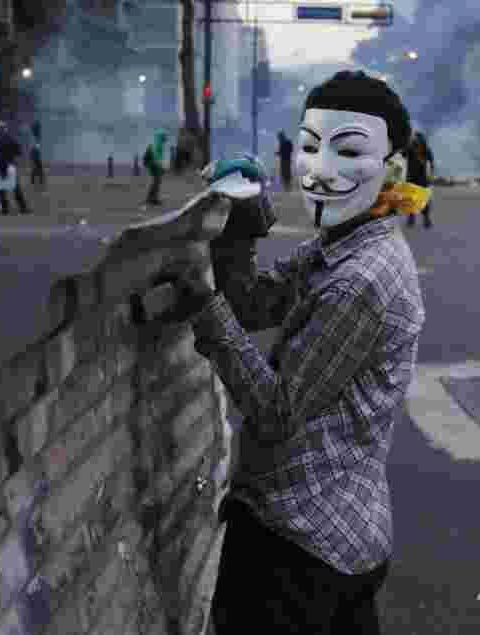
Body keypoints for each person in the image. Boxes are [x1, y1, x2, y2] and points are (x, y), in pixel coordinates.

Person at [167, 70, 431, 634]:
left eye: (349, 150)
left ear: (392, 169)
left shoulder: (361, 278)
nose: (321, 168)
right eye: (311, 147)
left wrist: (200, 299)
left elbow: (275, 411)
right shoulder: (343, 243)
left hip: (300, 546)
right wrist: (242, 223)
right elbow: (257, 305)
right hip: (338, 531)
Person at [0, 121, 30, 215]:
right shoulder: (11, 139)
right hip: (10, 165)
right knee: (16, 188)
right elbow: (18, 151)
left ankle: (5, 209)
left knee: (1, 189)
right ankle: (23, 208)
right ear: (5, 129)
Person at [405, 130, 435, 228]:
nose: (416, 140)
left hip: (421, 178)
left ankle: (424, 219)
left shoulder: (424, 149)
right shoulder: (411, 148)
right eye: (415, 138)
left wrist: (430, 175)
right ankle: (413, 218)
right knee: (412, 199)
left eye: (417, 138)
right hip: (414, 177)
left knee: (422, 199)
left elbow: (431, 163)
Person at [143, 128, 166, 206]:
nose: (165, 138)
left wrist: (161, 166)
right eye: (164, 137)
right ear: (161, 137)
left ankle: (152, 198)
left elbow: (159, 157)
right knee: (157, 181)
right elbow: (156, 156)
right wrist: (160, 166)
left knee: (157, 181)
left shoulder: (158, 143)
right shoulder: (157, 144)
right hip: (152, 163)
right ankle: (151, 198)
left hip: (152, 163)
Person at [29, 121, 46, 188]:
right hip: (35, 152)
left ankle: (34, 180)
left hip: (34, 152)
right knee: (38, 167)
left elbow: (34, 145)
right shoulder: (36, 135)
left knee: (36, 167)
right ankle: (39, 180)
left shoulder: (35, 135)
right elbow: (35, 145)